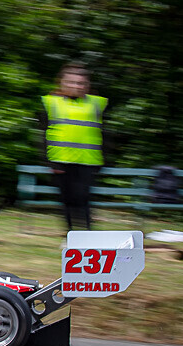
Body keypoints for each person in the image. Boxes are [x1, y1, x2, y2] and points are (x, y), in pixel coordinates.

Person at [40, 63, 108, 230]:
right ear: (61, 83)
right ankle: (71, 235)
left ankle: (87, 235)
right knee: (67, 200)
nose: (76, 86)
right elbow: (42, 135)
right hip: (61, 161)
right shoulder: (51, 103)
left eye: (81, 83)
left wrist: (103, 160)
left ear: (87, 85)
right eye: (71, 82)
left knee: (83, 199)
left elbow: (106, 134)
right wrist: (50, 163)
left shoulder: (97, 104)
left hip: (88, 162)